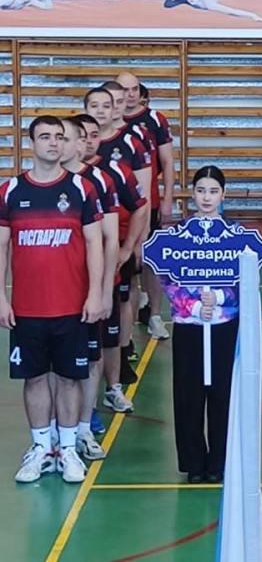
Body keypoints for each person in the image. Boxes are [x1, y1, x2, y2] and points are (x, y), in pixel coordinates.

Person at [1, 116, 104, 484]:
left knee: (69, 378)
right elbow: (1, 247)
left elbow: (94, 243)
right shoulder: (10, 191)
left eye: (59, 137)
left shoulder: (81, 188)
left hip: (71, 307)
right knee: (33, 379)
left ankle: (69, 449)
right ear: (32, 143)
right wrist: (1, 298)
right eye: (45, 137)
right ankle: (42, 448)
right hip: (27, 309)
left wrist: (95, 293)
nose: (53, 143)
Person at [160, 166, 238, 484]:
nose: (207, 198)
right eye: (201, 191)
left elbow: (243, 278)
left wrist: (218, 297)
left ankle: (219, 460)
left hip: (223, 327)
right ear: (192, 194)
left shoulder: (235, 235)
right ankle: (194, 462)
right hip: (189, 326)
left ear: (223, 195)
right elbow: (168, 277)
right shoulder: (178, 235)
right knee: (188, 394)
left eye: (213, 191)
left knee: (223, 394)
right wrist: (192, 305)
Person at [79, 113, 148, 415]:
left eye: (93, 136)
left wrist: (128, 247)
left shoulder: (112, 173)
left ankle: (113, 388)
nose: (88, 142)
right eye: (81, 136)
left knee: (109, 331)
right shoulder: (64, 179)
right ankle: (82, 409)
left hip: (110, 267)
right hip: (74, 276)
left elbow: (140, 207)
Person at [60, 116, 119, 461]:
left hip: (88, 291)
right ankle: (53, 436)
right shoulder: (30, 186)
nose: (60, 144)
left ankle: (84, 425)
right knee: (51, 367)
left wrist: (105, 289)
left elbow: (109, 239)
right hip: (53, 295)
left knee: (90, 357)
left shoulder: (97, 182)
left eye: (68, 138)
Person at [117, 72, 174, 341]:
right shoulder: (108, 123)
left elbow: (168, 161)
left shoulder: (154, 120)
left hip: (147, 202)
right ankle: (127, 320)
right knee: (126, 261)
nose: (130, 94)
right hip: (116, 209)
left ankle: (155, 315)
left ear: (141, 92)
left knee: (151, 259)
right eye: (124, 89)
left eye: (134, 89)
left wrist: (167, 198)